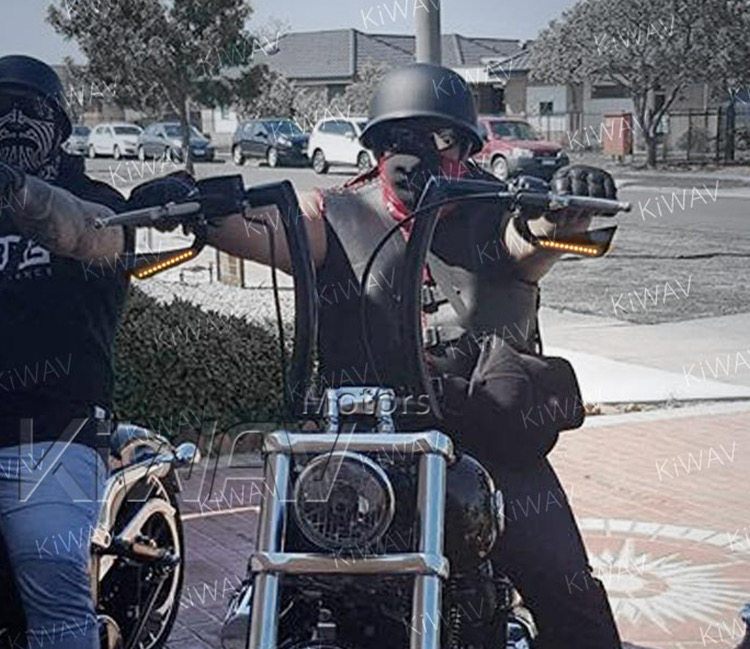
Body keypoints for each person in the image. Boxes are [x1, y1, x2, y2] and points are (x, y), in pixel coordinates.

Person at [203, 63, 621, 648]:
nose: (415, 155)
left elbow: (532, 239)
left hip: (489, 438)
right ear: (375, 148)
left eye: (438, 138)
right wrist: (201, 208)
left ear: (467, 148)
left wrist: (564, 212)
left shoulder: (496, 210)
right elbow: (270, 228)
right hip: (367, 448)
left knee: (567, 588)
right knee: (282, 581)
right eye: (396, 140)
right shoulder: (336, 213)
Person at [0, 54, 175, 649]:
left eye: (29, 110)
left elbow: (83, 232)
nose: (12, 122)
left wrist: (16, 190)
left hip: (51, 429)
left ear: (58, 126)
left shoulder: (93, 197)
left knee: (49, 571)